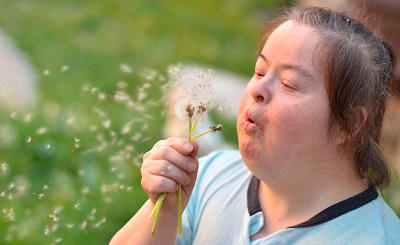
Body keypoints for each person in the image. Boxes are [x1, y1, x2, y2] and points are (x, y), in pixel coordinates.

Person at [109, 6, 400, 244]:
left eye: (289, 84)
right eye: (259, 71)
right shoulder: (212, 175)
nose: (258, 89)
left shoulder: (373, 239)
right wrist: (165, 210)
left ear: (348, 123)